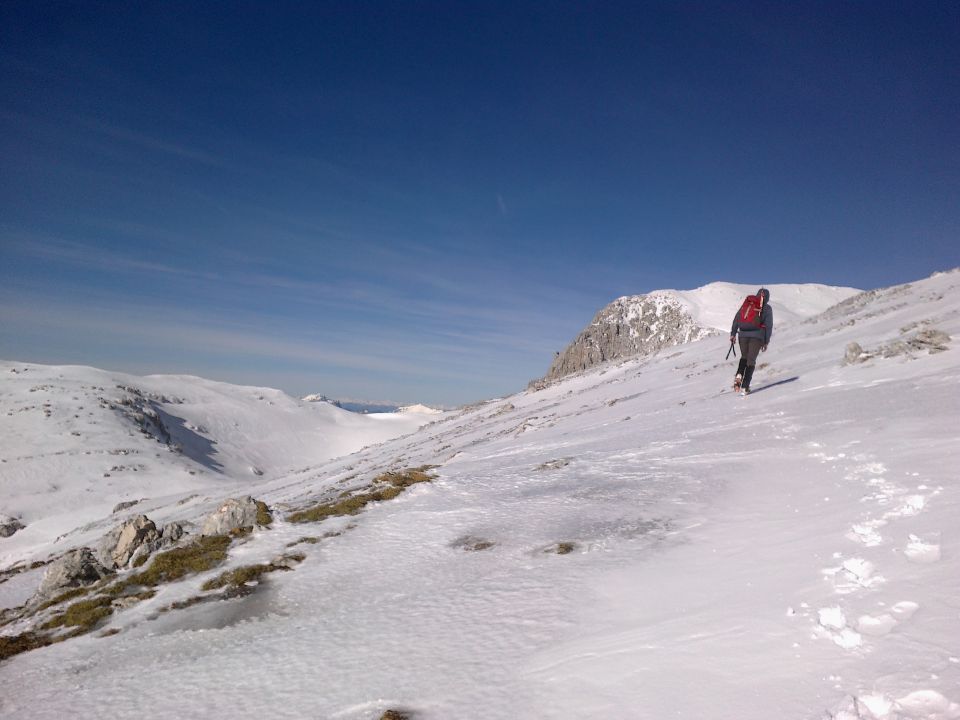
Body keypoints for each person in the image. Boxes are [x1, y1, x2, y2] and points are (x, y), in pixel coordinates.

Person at [730, 288, 773, 395]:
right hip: (757, 337)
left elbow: (737, 318)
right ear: (767, 298)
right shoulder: (767, 308)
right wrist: (766, 341)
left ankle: (739, 374)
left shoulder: (748, 303)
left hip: (743, 335)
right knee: (751, 361)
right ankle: (745, 386)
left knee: (744, 356)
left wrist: (733, 333)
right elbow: (768, 326)